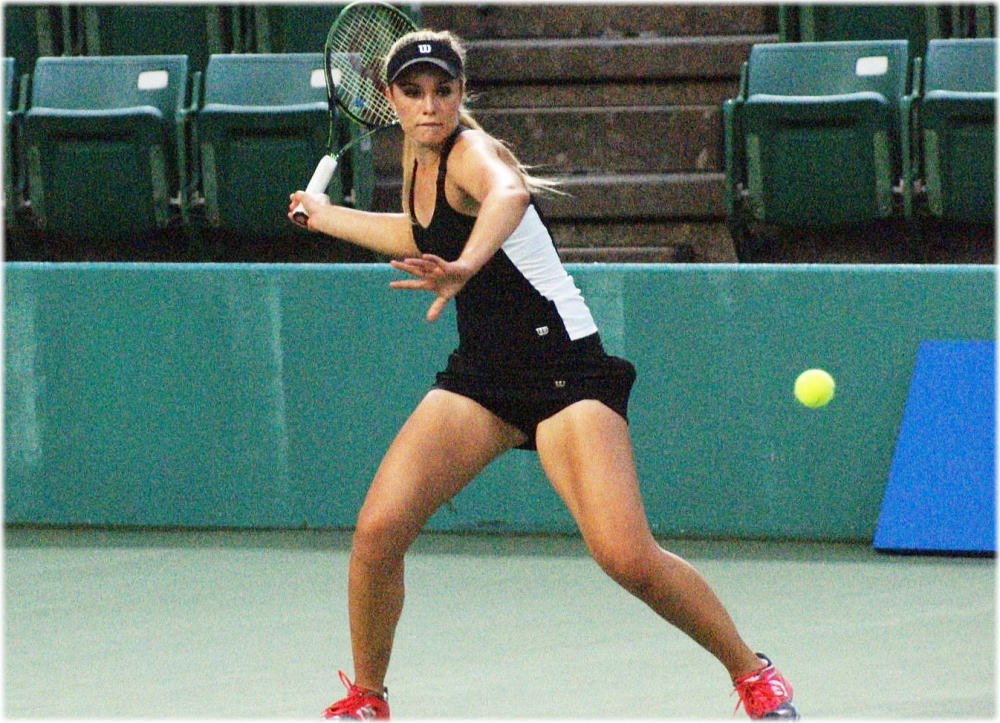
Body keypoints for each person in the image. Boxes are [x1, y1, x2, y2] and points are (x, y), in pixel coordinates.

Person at [288, 29, 799, 721]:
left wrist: (466, 266)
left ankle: (754, 674)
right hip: (483, 378)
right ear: (390, 97)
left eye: (444, 90)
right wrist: (328, 218)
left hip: (563, 371)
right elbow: (417, 232)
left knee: (626, 557)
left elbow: (509, 195)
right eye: (413, 91)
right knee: (378, 533)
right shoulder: (415, 158)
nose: (430, 105)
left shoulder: (474, 153)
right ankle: (366, 700)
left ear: (461, 94)